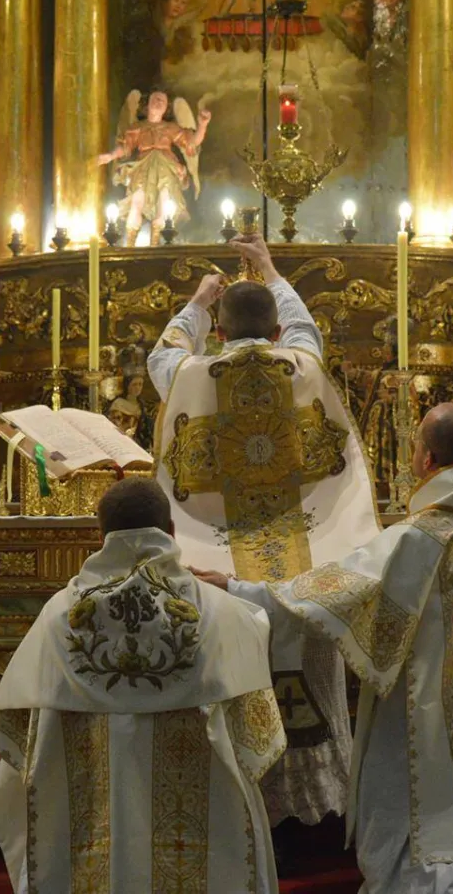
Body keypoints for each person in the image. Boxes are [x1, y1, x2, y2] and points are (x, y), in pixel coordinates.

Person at [198, 404, 453, 894]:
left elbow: (337, 594)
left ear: (429, 459)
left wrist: (239, 589)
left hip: (435, 703)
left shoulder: (427, 535)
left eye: (416, 445)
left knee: (431, 814)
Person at [147, 235, 380, 836]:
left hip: (222, 567)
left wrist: (197, 302)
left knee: (236, 676)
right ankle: (324, 810)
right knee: (313, 666)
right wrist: (273, 272)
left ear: (219, 332)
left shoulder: (190, 373)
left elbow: (161, 355)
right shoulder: (300, 363)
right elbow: (308, 329)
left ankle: (247, 804)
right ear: (275, 331)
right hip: (304, 562)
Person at [0, 477, 285, 894]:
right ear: (172, 531)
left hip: (91, 831)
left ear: (100, 536)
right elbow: (259, 742)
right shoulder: (223, 614)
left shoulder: (58, 618)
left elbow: (15, 737)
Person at [98, 89, 211, 246]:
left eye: (162, 101)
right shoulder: (137, 127)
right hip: (142, 168)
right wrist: (110, 156)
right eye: (156, 99)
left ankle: (154, 247)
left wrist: (202, 125)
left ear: (166, 108)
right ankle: (129, 248)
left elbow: (191, 142)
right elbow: (125, 148)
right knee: (136, 203)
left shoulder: (171, 128)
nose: (158, 102)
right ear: (147, 104)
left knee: (163, 205)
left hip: (166, 167)